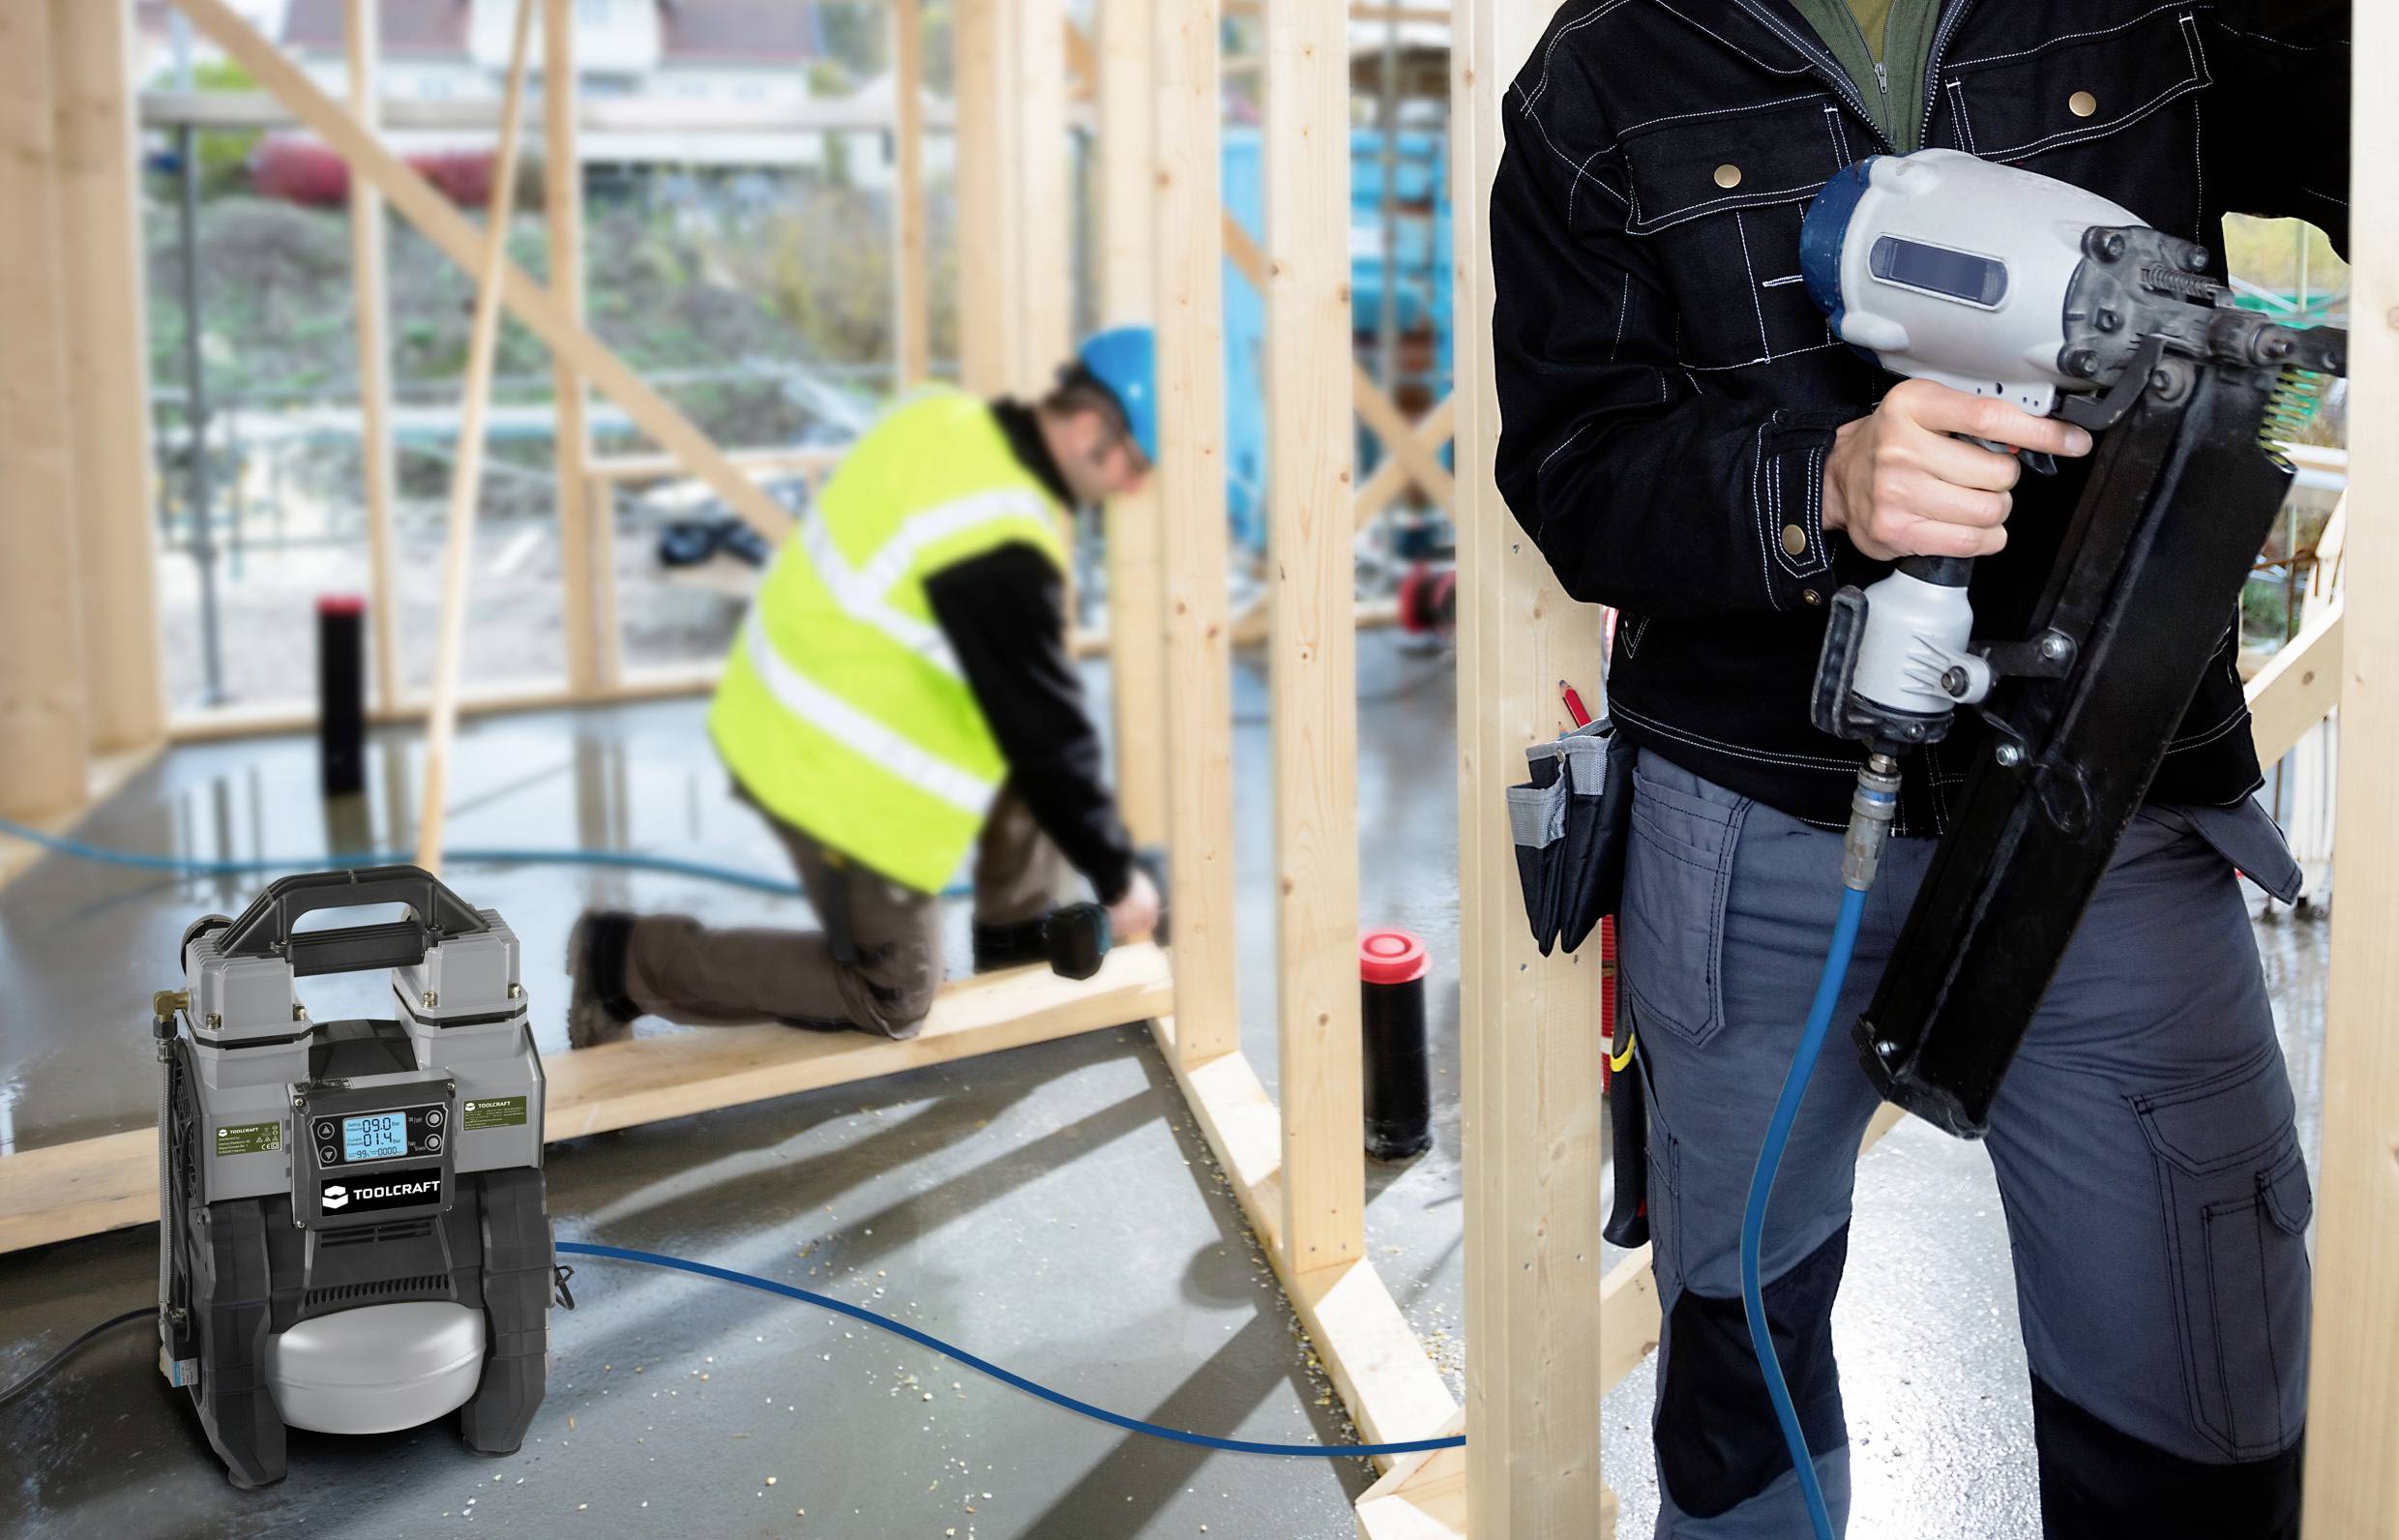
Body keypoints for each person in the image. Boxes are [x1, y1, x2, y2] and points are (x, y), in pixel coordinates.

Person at [1490, 4, 2348, 1536]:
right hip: (1748, 822)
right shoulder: (1605, 65)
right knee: (1741, 1348)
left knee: (2208, 1400)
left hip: (2113, 808)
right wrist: (1818, 488)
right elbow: (1572, 468)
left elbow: (2371, 134)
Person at [566, 328, 1165, 1046]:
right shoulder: (999, 529)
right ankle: (624, 961)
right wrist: (1117, 878)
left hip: (796, 689)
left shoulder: (944, 417)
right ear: (1090, 428)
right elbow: (1043, 726)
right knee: (896, 995)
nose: (1130, 487)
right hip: (828, 757)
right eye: (1134, 464)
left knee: (1026, 736)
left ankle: (1016, 934)